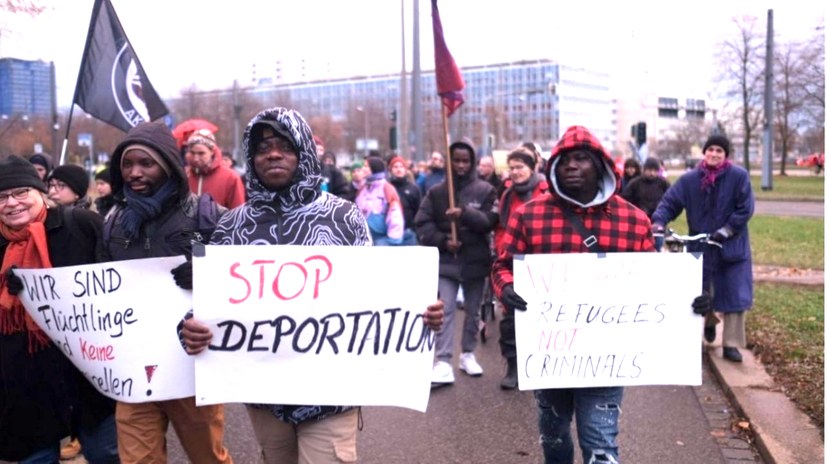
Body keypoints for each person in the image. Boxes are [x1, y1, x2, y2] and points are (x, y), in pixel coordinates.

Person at [178, 106, 445, 464]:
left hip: (331, 396)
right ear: (251, 158)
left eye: (285, 146)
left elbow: (375, 297)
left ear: (304, 151)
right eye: (262, 148)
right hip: (264, 394)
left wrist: (418, 314)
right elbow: (211, 303)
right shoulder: (232, 227)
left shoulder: (344, 217)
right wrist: (190, 326)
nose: (273, 154)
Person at [491, 125, 711, 464]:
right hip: (549, 356)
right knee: (554, 435)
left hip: (606, 359)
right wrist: (507, 288)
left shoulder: (633, 221)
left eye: (581, 159)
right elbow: (502, 266)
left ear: (601, 166)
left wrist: (689, 300)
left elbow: (654, 283)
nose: (571, 166)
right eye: (564, 160)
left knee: (600, 442)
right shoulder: (529, 215)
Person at [102, 121, 232, 463]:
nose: (134, 173)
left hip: (191, 367)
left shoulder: (208, 217)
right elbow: (97, 285)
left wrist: (209, 275)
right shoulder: (112, 222)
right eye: (127, 164)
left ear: (169, 166)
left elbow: (242, 280)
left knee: (208, 458)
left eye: (146, 163)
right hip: (133, 370)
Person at [0, 155, 119, 463]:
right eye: (2, 197)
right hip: (25, 380)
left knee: (105, 454)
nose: (11, 203)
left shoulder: (80, 224)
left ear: (41, 192)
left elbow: (121, 274)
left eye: (20, 192)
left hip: (88, 372)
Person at [652, 133, 754, 363]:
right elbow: (670, 202)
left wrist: (726, 230)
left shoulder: (738, 177)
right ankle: (709, 322)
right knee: (700, 291)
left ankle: (731, 344)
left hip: (731, 245)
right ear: (704, 152)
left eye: (719, 150)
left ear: (726, 155)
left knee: (735, 294)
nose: (714, 154)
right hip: (701, 245)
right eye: (710, 149)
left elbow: (745, 208)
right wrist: (659, 222)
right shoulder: (690, 180)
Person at [415, 138, 498, 385]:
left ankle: (468, 354)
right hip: (447, 263)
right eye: (456, 161)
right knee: (446, 309)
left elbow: (490, 221)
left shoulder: (486, 190)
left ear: (472, 163)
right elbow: (422, 223)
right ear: (449, 162)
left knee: (473, 310)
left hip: (475, 261)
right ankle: (443, 361)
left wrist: (465, 213)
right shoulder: (436, 192)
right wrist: (442, 240)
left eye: (465, 161)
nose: (461, 165)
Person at [492, 146, 549, 390]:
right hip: (513, 260)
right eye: (512, 168)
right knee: (511, 318)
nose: (515, 172)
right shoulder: (507, 194)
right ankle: (514, 366)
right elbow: (501, 226)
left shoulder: (546, 190)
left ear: (532, 168)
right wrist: (502, 247)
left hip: (542, 262)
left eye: (520, 167)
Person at [185, 128, 246, 209]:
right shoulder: (185, 175)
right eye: (192, 153)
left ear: (212, 152)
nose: (196, 158)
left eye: (201, 153)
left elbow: (238, 211)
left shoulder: (230, 177)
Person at [356, 156, 406, 246]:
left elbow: (395, 216)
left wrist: (392, 240)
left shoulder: (387, 189)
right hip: (363, 242)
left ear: (374, 168)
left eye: (366, 166)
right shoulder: (362, 189)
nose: (362, 168)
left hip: (381, 243)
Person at [387, 156, 421, 245]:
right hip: (390, 233)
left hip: (408, 232)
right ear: (391, 170)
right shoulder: (387, 188)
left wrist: (414, 228)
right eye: (395, 167)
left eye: (401, 167)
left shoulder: (414, 189)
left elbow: (418, 210)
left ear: (405, 170)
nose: (399, 169)